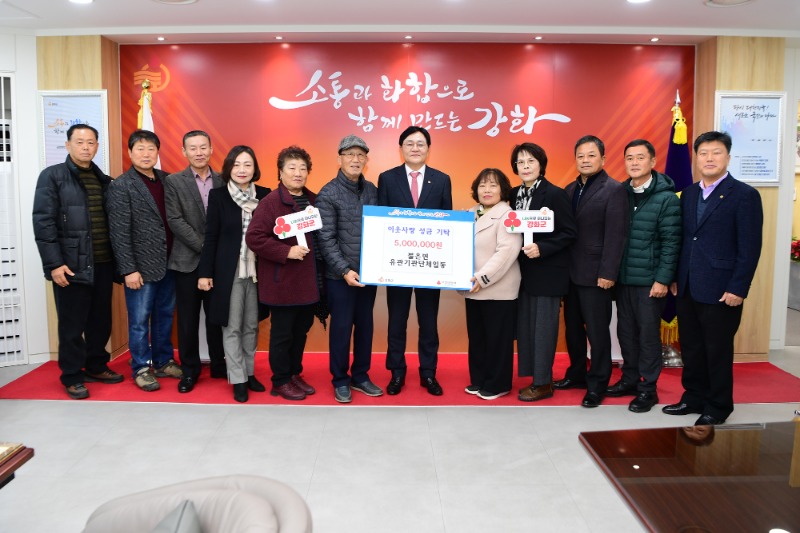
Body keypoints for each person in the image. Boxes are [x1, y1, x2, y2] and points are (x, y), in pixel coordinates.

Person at [663, 131, 762, 426]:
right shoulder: (689, 193)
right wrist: (676, 276)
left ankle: (718, 406)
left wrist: (738, 287)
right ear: (696, 158)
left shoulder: (744, 195)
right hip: (687, 285)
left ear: (728, 157)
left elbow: (750, 247)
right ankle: (693, 397)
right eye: (703, 153)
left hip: (722, 289)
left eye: (716, 152)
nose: (709, 158)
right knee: (692, 347)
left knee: (717, 350)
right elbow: (684, 239)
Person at [32, 124, 124, 399]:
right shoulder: (53, 176)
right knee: (72, 325)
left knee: (100, 320)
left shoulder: (103, 179)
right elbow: (43, 222)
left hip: (103, 263)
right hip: (70, 265)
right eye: (80, 142)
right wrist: (54, 264)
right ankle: (72, 375)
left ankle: (96, 365)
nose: (86, 147)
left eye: (91, 142)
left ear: (97, 146)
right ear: (68, 145)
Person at [377, 126, 452, 396]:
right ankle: (396, 373)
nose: (415, 148)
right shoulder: (387, 178)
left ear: (428, 149)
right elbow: (381, 222)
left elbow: (447, 224)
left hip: (429, 266)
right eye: (410, 143)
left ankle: (428, 373)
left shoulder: (442, 180)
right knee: (396, 322)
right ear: (401, 149)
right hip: (397, 265)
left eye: (421, 143)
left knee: (428, 323)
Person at [107, 129, 183, 391]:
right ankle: (140, 367)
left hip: (169, 263)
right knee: (139, 321)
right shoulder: (121, 186)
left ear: (157, 152)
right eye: (140, 149)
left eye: (151, 149)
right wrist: (128, 269)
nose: (146, 154)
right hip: (140, 268)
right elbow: (119, 232)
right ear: (130, 152)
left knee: (164, 316)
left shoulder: (167, 180)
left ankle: (163, 361)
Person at [556, 135, 627, 408]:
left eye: (591, 155)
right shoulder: (569, 189)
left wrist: (608, 273)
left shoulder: (614, 189)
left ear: (603, 159)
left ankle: (598, 383)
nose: (585, 160)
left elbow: (616, 236)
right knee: (573, 330)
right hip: (570, 274)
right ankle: (576, 374)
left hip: (597, 275)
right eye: (580, 156)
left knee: (597, 333)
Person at [610, 139, 681, 413]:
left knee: (648, 337)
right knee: (626, 333)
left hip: (650, 283)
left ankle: (648, 389)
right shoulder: (620, 193)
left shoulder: (666, 198)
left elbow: (672, 242)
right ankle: (629, 379)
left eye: (640, 157)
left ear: (652, 161)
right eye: (629, 158)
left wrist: (663, 279)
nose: (634, 163)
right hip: (623, 280)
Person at [246, 146, 322, 401]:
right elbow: (254, 237)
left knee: (301, 332)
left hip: (308, 283)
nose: (298, 173)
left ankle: (293, 373)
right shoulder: (270, 202)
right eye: (292, 168)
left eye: (303, 168)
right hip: (283, 282)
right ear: (280, 172)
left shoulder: (313, 200)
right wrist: (285, 252)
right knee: (282, 334)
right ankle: (280, 380)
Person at [197, 146, 270, 402]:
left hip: (258, 271)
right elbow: (211, 237)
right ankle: (237, 378)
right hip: (230, 271)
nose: (242, 170)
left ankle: (249, 373)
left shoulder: (265, 195)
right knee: (232, 326)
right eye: (237, 164)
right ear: (229, 167)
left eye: (247, 164)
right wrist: (205, 272)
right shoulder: (219, 196)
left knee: (251, 326)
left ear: (255, 168)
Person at [316, 134, 383, 403]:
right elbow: (326, 239)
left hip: (368, 274)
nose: (355, 159)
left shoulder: (373, 190)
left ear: (366, 160)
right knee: (342, 329)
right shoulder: (327, 193)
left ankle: (361, 376)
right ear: (340, 158)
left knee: (365, 327)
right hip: (340, 277)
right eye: (350, 154)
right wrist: (344, 270)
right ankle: (340, 380)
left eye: (360, 155)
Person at [509, 143, 577, 402]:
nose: (525, 166)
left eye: (531, 161)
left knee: (544, 330)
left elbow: (569, 233)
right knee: (526, 328)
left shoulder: (555, 194)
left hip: (548, 273)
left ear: (541, 164)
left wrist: (543, 248)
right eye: (520, 162)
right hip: (522, 274)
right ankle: (534, 377)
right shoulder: (513, 194)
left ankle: (544, 383)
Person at [164, 130, 226, 394]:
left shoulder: (224, 180)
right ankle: (189, 371)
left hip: (218, 264)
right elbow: (175, 220)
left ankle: (219, 364)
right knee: (187, 321)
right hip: (186, 262)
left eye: (203, 147)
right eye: (193, 148)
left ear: (211, 149)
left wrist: (214, 254)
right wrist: (206, 247)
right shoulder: (173, 182)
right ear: (184, 152)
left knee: (217, 317)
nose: (199, 152)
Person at [462, 168, 522, 400]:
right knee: (478, 338)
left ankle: (498, 384)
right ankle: (479, 379)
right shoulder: (469, 213)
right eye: (482, 185)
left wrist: (482, 277)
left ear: (503, 189)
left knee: (498, 340)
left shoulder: (508, 215)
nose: (487, 190)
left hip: (497, 289)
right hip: (472, 288)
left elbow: (506, 252)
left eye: (493, 185)